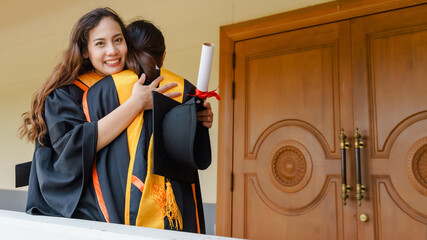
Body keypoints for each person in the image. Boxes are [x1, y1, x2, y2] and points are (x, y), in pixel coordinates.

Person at [19, 7, 212, 234]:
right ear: (84, 51)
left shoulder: (137, 85)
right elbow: (71, 148)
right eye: (100, 43)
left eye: (118, 40)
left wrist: (194, 119)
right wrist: (135, 104)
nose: (112, 50)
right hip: (79, 215)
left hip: (127, 217)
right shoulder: (66, 94)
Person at [80, 19, 211, 233]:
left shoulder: (99, 92)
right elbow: (196, 153)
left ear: (127, 50)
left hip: (118, 207)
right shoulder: (186, 89)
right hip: (176, 206)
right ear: (164, 54)